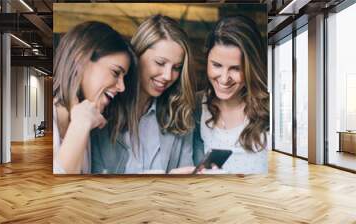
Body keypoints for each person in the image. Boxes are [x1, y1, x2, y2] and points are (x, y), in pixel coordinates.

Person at [90, 15, 196, 174]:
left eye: (177, 67)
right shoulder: (102, 108)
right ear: (136, 56)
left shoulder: (179, 114)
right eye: (160, 63)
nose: (168, 76)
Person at [53, 21, 138, 174]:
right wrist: (81, 124)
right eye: (115, 73)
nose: (122, 87)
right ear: (80, 60)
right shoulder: (67, 120)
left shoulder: (85, 119)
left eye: (124, 77)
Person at [193, 16, 269, 174]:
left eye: (235, 68)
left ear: (251, 68)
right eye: (217, 65)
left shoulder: (270, 109)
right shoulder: (197, 106)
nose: (224, 78)